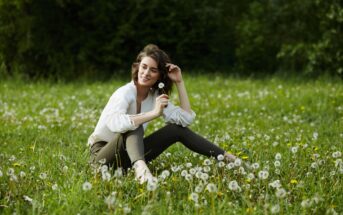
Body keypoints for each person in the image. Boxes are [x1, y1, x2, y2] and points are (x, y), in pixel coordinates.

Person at [88, 44, 236, 184]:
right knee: (133, 125)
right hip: (102, 158)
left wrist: (179, 82)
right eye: (144, 67)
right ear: (138, 67)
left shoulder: (155, 96)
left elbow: (186, 119)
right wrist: (153, 113)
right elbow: (115, 123)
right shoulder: (124, 92)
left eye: (153, 70)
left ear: (159, 76)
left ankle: (229, 158)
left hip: (129, 156)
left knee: (176, 130)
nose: (146, 73)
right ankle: (141, 170)